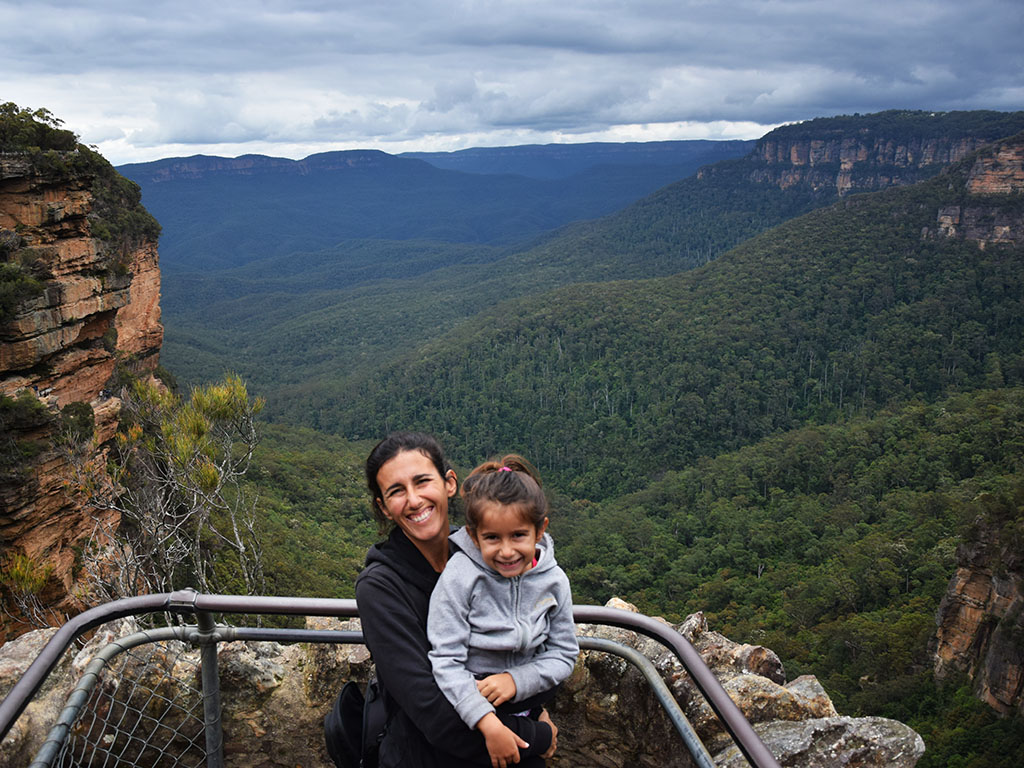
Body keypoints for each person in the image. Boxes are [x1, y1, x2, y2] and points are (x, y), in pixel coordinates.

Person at [355, 432, 558, 768]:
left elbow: (530, 647)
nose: (414, 500)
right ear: (383, 508)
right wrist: (536, 736)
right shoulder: (381, 588)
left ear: (449, 483)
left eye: (422, 481)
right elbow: (431, 711)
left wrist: (532, 705)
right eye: (396, 491)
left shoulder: (492, 558)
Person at [427, 455, 578, 768]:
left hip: (526, 709)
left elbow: (564, 653)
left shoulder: (553, 580)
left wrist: (516, 679)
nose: (507, 551)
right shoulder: (460, 577)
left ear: (540, 530)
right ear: (473, 535)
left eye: (518, 535)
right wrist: (487, 722)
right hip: (469, 714)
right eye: (492, 538)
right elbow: (445, 659)